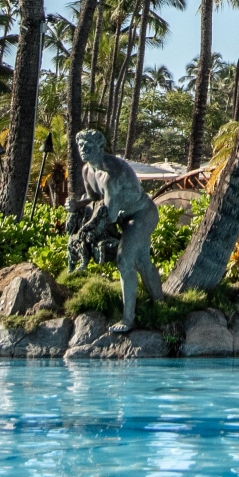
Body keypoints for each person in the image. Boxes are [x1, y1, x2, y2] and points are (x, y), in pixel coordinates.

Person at [70, 127, 165, 332]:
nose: (83, 149)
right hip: (123, 217)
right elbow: (94, 199)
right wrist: (76, 205)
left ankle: (127, 319)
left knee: (125, 260)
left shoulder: (111, 174)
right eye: (80, 146)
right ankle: (160, 304)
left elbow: (110, 215)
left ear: (100, 147)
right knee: (142, 261)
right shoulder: (87, 170)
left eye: (88, 146)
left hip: (142, 214)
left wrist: (89, 233)